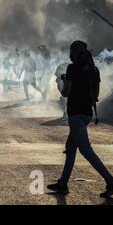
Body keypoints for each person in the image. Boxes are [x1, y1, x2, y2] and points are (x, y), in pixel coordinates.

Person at [48, 41, 113, 198]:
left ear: (74, 53)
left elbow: (65, 93)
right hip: (86, 114)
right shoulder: (94, 70)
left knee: (85, 150)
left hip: (75, 113)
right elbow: (96, 95)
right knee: (70, 148)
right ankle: (62, 184)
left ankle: (111, 181)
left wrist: (63, 82)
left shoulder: (71, 68)